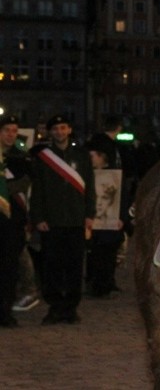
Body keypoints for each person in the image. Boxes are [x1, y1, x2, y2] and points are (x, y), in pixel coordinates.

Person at [29, 115, 95, 325]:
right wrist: (38, 217)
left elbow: (90, 187)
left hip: (76, 219)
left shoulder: (81, 156)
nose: (59, 132)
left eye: (63, 127)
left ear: (69, 130)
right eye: (55, 128)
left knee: (75, 266)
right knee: (52, 267)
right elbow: (37, 189)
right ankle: (55, 306)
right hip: (52, 219)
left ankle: (71, 308)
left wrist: (89, 214)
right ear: (50, 132)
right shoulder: (43, 157)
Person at [1, 115, 39, 319]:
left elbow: (26, 181)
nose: (11, 135)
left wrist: (5, 189)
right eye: (7, 130)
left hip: (13, 218)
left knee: (10, 265)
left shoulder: (21, 156)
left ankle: (6, 311)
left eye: (14, 131)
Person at [84, 147, 125, 298]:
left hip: (109, 221)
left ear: (102, 157)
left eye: (93, 155)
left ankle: (105, 283)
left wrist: (121, 218)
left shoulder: (114, 175)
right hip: (93, 221)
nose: (91, 159)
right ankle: (93, 282)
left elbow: (121, 197)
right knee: (93, 252)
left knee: (107, 253)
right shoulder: (87, 173)